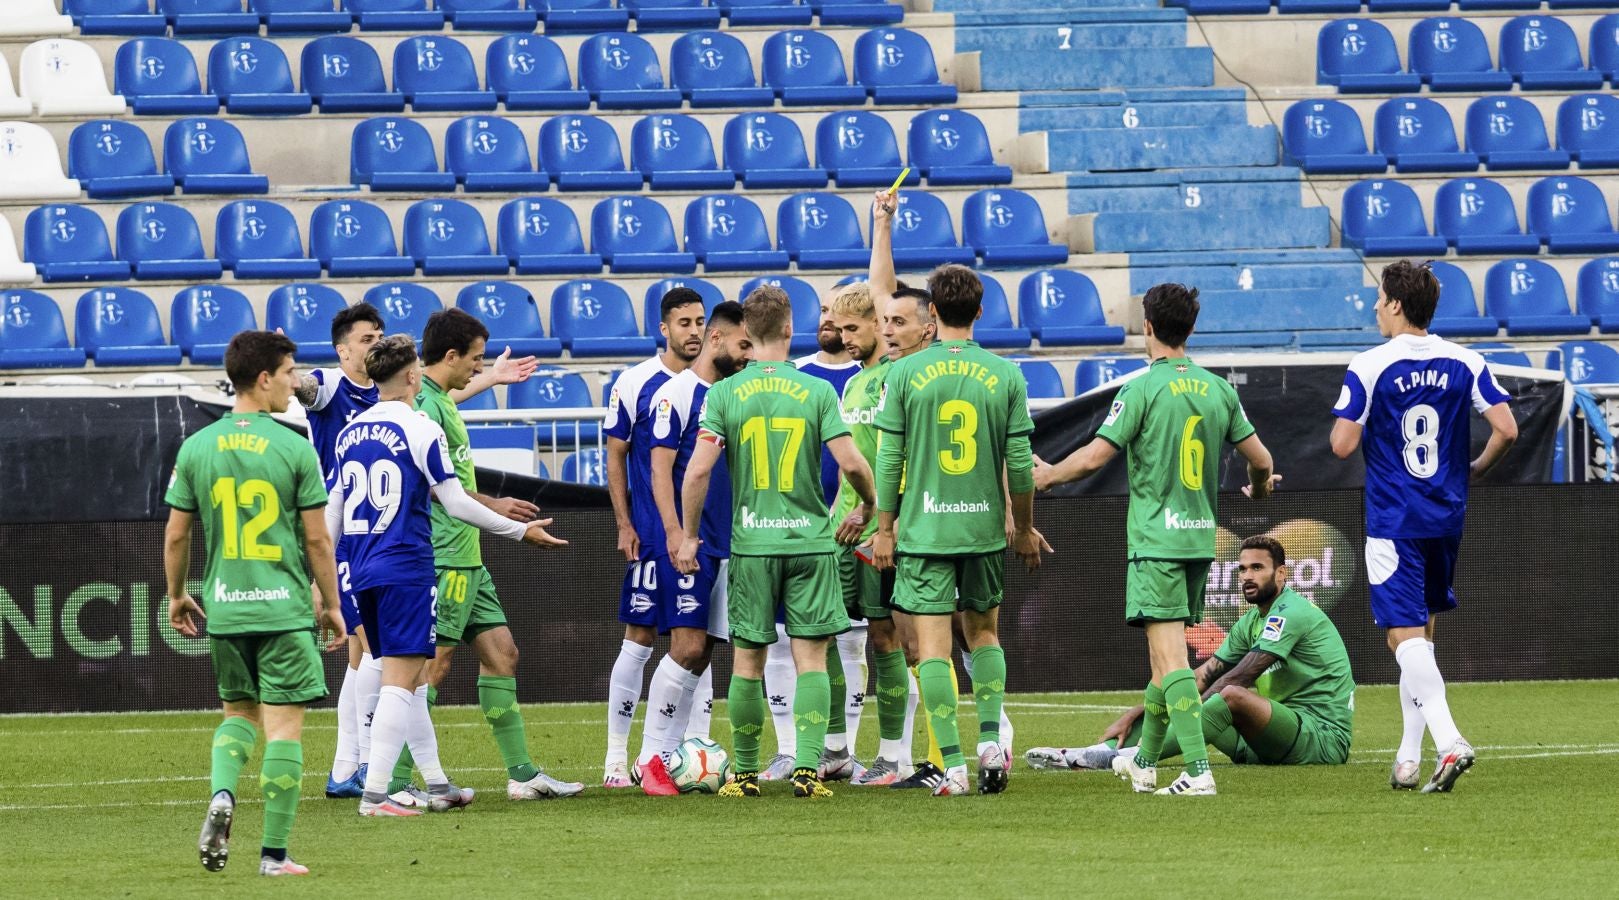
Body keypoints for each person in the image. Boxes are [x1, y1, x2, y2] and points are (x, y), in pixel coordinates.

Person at [1034, 283, 1278, 797]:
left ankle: (1197, 771)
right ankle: (1144, 761)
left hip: (1156, 542)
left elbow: (1097, 457)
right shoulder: (1219, 389)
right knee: (1161, 660)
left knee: (1170, 662)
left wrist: (1048, 476)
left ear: (1146, 326)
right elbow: (1262, 461)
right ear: (1190, 328)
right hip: (1197, 541)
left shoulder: (1142, 388)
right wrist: (1257, 492)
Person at [291, 303, 536, 799]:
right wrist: (517, 533)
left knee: (385, 669)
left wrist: (321, 578)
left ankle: (426, 781)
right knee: (401, 678)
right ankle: (379, 788)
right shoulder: (412, 423)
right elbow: (455, 503)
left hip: (355, 559)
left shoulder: (352, 433)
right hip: (406, 560)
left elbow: (330, 520)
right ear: (411, 375)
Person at [674, 285, 877, 800]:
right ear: (789, 329)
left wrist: (690, 535)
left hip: (752, 548)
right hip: (810, 544)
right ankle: (809, 772)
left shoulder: (724, 394)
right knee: (812, 659)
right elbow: (852, 463)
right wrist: (870, 506)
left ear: (747, 333)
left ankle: (743, 775)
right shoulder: (816, 391)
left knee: (748, 661)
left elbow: (697, 472)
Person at [376, 309, 584, 806]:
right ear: (450, 356)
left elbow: (449, 393)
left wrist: (491, 379)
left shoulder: (432, 397)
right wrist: (496, 509)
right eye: (475, 359)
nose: (478, 365)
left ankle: (522, 775)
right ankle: (397, 782)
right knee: (431, 668)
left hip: (468, 555)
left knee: (502, 654)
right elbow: (424, 486)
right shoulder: (418, 407)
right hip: (445, 555)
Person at [164, 330, 346, 876]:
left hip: (226, 610)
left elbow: (176, 536)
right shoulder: (295, 446)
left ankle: (223, 793)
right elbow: (317, 540)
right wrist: (332, 604)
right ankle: (273, 855)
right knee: (284, 729)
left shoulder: (196, 447)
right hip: (283, 611)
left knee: (238, 714)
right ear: (264, 379)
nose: (296, 383)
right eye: (290, 372)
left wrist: (176, 595)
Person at [1329, 260, 1516, 793]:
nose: (1373, 306)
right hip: (1446, 515)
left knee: (1401, 636)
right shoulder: (1466, 360)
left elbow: (1342, 446)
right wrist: (1474, 468)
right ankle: (1409, 757)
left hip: (1394, 518)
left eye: (1378, 297)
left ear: (1394, 304)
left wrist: (1362, 426)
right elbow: (1506, 428)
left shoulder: (1370, 364)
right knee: (1423, 634)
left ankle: (1450, 740)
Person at [871, 262, 1047, 797]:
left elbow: (888, 458)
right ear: (980, 310)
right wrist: (1023, 529)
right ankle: (991, 739)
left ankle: (951, 768)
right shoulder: (1006, 374)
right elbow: (1021, 465)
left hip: (925, 532)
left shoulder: (902, 373)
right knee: (984, 634)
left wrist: (883, 527)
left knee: (932, 653)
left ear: (932, 313)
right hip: (983, 532)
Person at [1027, 536, 1355, 772]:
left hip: (1319, 739)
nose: (1247, 576)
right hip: (1263, 743)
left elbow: (1242, 676)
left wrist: (1189, 708)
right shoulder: (1251, 620)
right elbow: (1201, 677)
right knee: (1181, 693)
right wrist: (1143, 710)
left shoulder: (1291, 612)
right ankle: (1088, 754)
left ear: (1281, 574)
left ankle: (1133, 758)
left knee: (1231, 696)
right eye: (1242, 569)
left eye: (1258, 568)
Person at [642, 300, 753, 779]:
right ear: (717, 339)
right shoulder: (678, 393)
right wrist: (674, 532)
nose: (750, 354)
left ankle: (668, 755)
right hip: (692, 544)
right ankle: (650, 757)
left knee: (705, 650)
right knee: (686, 646)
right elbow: (660, 468)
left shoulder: (736, 394)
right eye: (743, 344)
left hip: (731, 543)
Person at [602, 289, 707, 791]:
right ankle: (616, 759)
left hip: (697, 539)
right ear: (663, 328)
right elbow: (616, 454)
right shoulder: (635, 382)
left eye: (700, 322)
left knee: (698, 638)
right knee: (640, 638)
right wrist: (624, 523)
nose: (694, 331)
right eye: (683, 322)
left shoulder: (714, 386)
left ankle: (684, 750)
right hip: (649, 535)